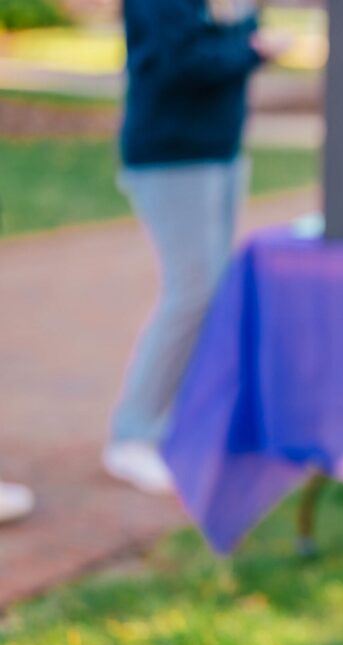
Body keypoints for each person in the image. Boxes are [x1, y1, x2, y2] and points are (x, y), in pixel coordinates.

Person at [104, 0, 288, 493]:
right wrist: (250, 50)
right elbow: (180, 63)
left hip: (219, 150)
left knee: (209, 296)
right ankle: (132, 435)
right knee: (193, 293)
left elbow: (228, 37)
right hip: (171, 155)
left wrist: (243, 38)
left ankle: (178, 426)